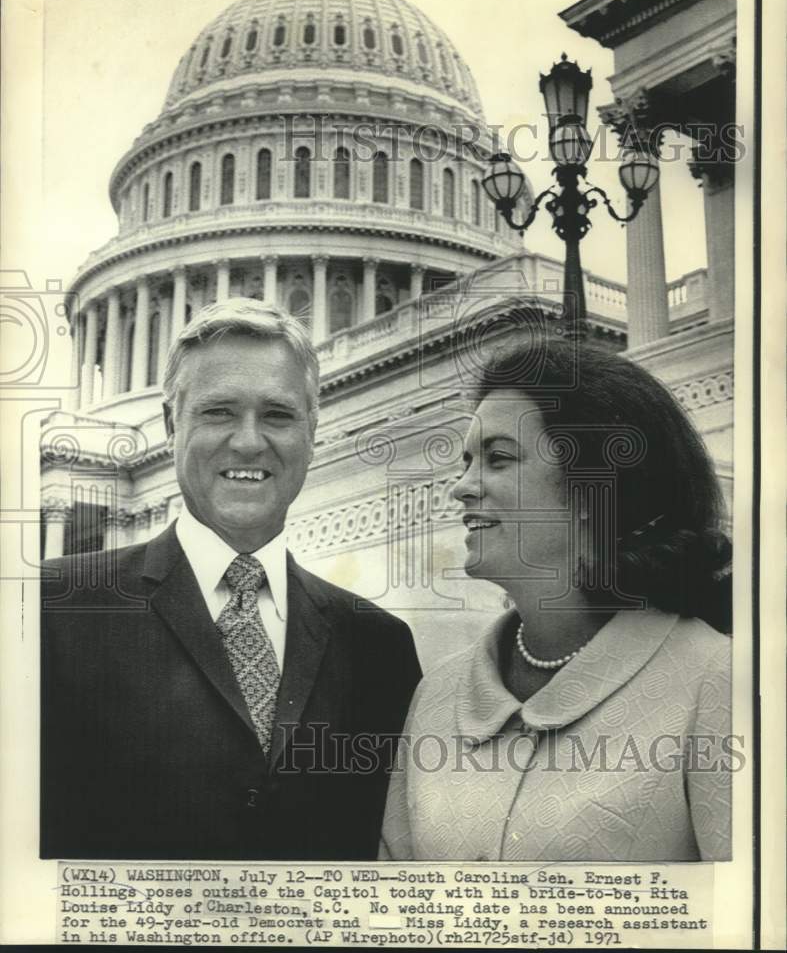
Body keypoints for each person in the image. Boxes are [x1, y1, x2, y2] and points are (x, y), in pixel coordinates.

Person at [41, 297, 421, 860]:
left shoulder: (379, 645)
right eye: (219, 412)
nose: (248, 441)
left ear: (312, 431)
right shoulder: (51, 609)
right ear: (173, 425)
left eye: (278, 414)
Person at [381, 335, 733, 862]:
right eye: (467, 461)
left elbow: (749, 926)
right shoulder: (437, 696)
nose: (462, 487)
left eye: (498, 459)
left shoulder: (717, 682)